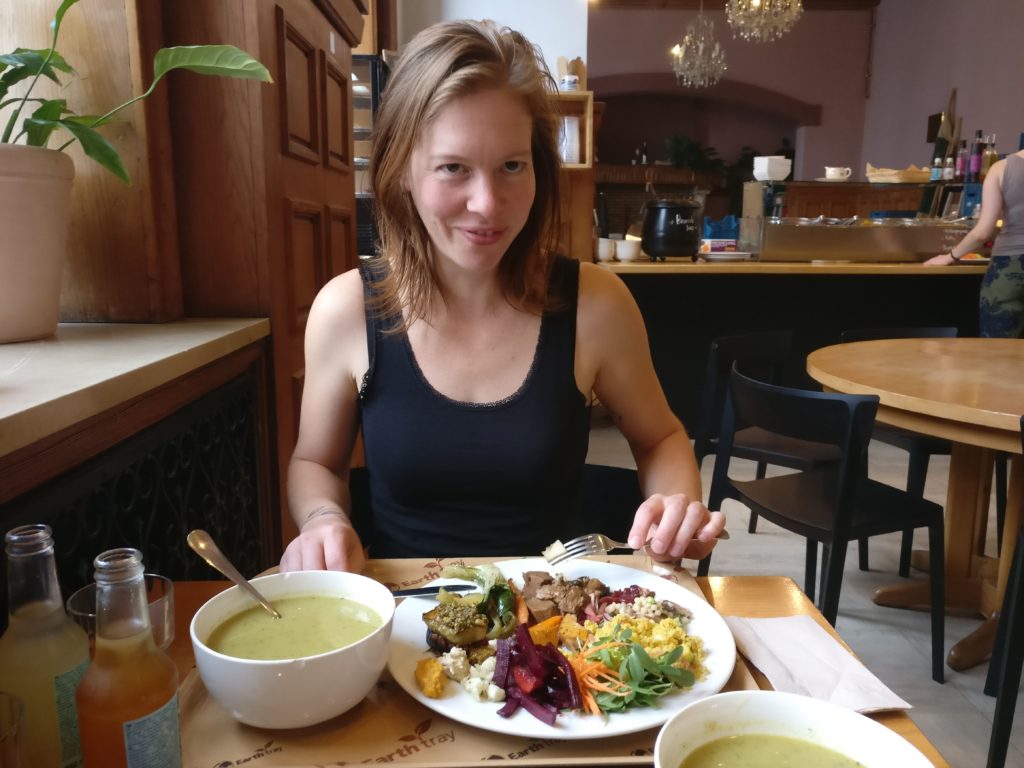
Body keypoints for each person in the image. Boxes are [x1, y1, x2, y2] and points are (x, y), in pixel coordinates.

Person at [280, 19, 725, 573]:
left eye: (512, 166)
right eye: (453, 168)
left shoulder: (597, 304)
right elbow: (315, 462)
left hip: (558, 616)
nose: (487, 204)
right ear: (401, 172)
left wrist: (676, 507)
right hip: (402, 613)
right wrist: (324, 518)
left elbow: (660, 438)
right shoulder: (347, 310)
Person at [925, 148, 1024, 338]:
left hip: (1008, 268)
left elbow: (983, 233)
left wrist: (950, 256)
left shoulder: (1001, 168)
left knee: (999, 348)